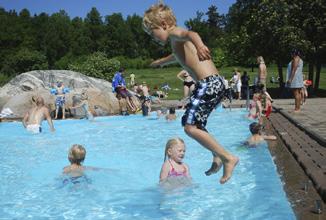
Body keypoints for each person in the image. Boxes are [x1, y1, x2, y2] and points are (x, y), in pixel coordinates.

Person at [143, 3, 239, 184]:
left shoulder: (174, 32)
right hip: (216, 83)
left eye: (152, 31)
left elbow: (191, 34)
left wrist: (200, 45)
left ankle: (227, 157)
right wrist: (160, 62)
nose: (152, 37)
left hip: (208, 84)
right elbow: (175, 56)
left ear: (163, 24)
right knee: (197, 124)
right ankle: (217, 155)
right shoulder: (175, 42)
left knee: (189, 126)